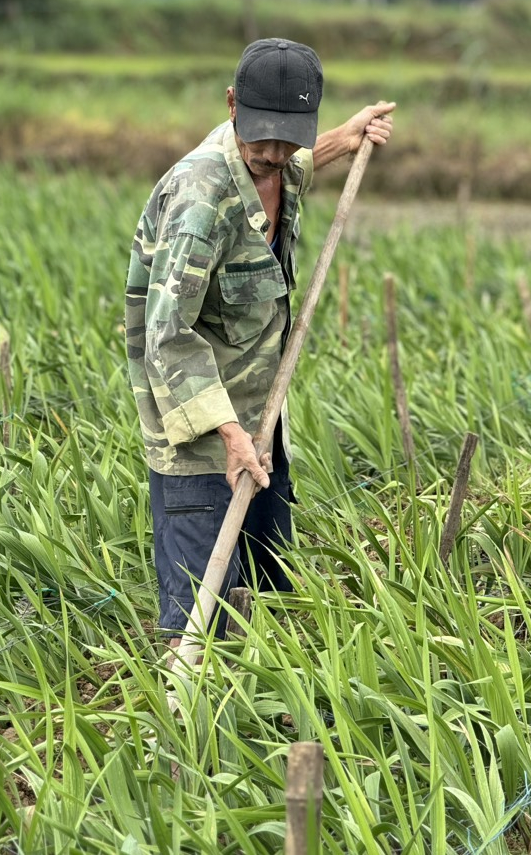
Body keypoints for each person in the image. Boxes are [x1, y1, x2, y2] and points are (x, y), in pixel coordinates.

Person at [124, 38, 395, 646]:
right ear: (230, 106)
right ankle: (186, 717)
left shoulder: (278, 169)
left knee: (270, 591)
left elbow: (293, 167)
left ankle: (263, 722)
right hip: (203, 432)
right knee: (203, 617)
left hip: (260, 417)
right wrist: (229, 435)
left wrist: (346, 139)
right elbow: (167, 336)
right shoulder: (201, 202)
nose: (272, 155)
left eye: (288, 139)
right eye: (260, 139)